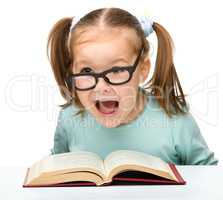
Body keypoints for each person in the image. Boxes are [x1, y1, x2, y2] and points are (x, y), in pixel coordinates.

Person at [47, 7, 218, 165]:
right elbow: (55, 173)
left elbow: (209, 176)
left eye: (117, 70)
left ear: (143, 70)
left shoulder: (174, 120)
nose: (101, 87)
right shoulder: (70, 119)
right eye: (86, 70)